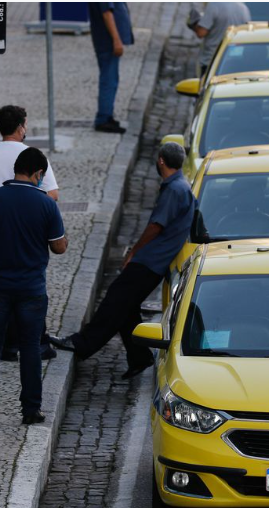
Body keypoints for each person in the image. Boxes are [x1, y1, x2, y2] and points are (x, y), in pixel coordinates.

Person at [50, 143, 195, 379]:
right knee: (126, 308)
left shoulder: (175, 190)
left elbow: (156, 226)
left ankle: (82, 343)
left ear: (160, 161)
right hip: (156, 261)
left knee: (115, 301)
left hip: (150, 260)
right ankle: (140, 357)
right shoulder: (181, 186)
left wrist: (134, 252)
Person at [0, 147, 68, 425]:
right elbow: (59, 247)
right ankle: (30, 410)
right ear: (38, 174)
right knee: (30, 347)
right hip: (31, 288)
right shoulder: (46, 204)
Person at [0, 104, 59, 362]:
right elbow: (52, 194)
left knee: (0, 286)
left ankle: (7, 344)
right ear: (21, 127)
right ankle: (37, 342)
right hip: (29, 230)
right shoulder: (32, 155)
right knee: (32, 285)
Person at [88, 2, 134, 134]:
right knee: (109, 80)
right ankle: (103, 119)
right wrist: (116, 40)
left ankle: (107, 115)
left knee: (111, 79)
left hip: (104, 39)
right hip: (107, 41)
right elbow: (107, 14)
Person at [190, 2, 250, 77]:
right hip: (236, 58)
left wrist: (193, 24)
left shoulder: (214, 5)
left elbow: (201, 32)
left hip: (212, 60)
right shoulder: (243, 8)